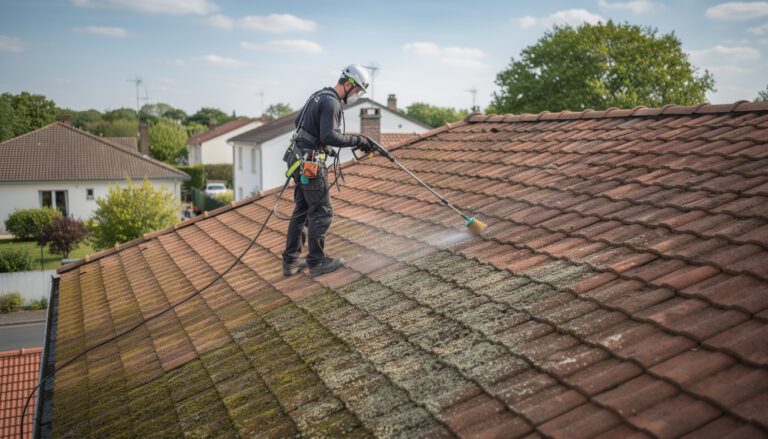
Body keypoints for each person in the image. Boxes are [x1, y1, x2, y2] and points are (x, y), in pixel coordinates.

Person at [282, 64, 375, 277]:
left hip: (297, 158)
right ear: (349, 84)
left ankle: (291, 261)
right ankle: (317, 262)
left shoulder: (318, 95)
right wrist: (358, 140)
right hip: (310, 165)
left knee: (302, 210)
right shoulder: (332, 103)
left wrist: (321, 146)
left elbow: (299, 123)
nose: (357, 95)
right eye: (358, 90)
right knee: (322, 211)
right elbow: (329, 136)